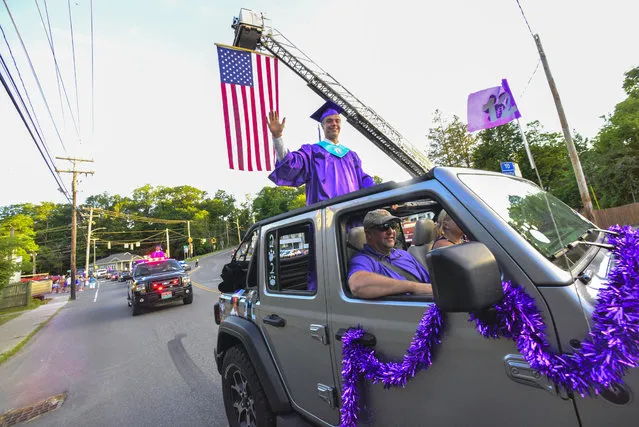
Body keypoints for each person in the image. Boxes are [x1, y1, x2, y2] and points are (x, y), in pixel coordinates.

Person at [267, 101, 376, 206]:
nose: (334, 124)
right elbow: (291, 163)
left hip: (352, 215)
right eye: (329, 121)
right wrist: (277, 137)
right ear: (322, 125)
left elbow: (364, 180)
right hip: (325, 217)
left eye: (337, 121)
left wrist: (384, 195)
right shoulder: (312, 152)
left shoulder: (351, 156)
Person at [348, 209, 433, 299]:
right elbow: (357, 285)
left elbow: (429, 282)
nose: (391, 231)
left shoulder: (404, 254)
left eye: (393, 226)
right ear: (368, 234)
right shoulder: (363, 259)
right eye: (384, 227)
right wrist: (413, 288)